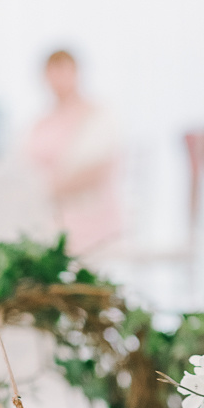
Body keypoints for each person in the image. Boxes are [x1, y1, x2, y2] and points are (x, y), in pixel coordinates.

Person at [26, 49, 121, 257]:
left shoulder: (98, 116)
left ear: (76, 72)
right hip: (49, 216)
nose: (58, 79)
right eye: (52, 72)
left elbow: (98, 169)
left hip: (90, 217)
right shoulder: (41, 121)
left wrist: (48, 189)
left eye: (63, 71)